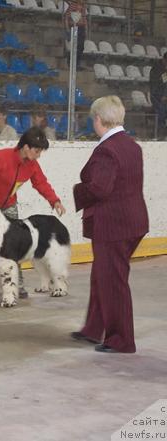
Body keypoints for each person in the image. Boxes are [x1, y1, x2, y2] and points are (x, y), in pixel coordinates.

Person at [72, 96, 149, 354]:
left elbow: (100, 189)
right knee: (103, 276)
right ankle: (93, 329)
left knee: (113, 281)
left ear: (98, 119)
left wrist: (78, 191)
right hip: (133, 221)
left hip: (113, 226)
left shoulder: (107, 149)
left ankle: (121, 340)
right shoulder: (132, 146)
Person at [0, 127, 66, 297]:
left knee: (13, 247)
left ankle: (16, 285)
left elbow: (41, 183)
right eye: (37, 151)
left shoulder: (33, 165)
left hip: (9, 207)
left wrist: (54, 200)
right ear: (26, 147)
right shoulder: (1, 157)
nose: (39, 155)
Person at [63, 0, 87, 70]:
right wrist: (67, 29)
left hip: (81, 28)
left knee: (81, 47)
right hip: (73, 27)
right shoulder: (72, 5)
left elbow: (84, 19)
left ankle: (77, 63)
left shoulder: (83, 7)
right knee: (72, 46)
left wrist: (85, 29)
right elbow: (66, 18)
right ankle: (70, 63)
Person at [149, 53, 167, 140]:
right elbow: (154, 86)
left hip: (165, 95)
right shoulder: (156, 69)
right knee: (161, 111)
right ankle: (159, 134)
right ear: (164, 59)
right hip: (156, 96)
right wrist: (162, 96)